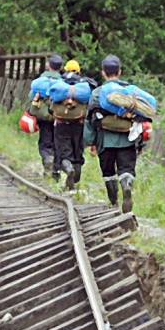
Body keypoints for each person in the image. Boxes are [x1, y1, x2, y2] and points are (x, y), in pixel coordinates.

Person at [87, 55, 141, 213]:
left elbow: (90, 119)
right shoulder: (130, 91)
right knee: (126, 169)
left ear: (103, 73)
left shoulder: (97, 93)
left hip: (105, 140)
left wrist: (91, 142)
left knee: (108, 171)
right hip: (127, 138)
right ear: (120, 72)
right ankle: (126, 185)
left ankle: (113, 202)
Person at [52, 59, 88, 191]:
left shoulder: (60, 84)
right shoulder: (82, 84)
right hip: (79, 124)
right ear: (79, 71)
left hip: (61, 124)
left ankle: (68, 169)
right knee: (78, 153)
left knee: (64, 153)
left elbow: (52, 104)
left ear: (65, 70)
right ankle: (75, 180)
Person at [28, 54, 64, 179]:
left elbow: (30, 97)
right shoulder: (63, 82)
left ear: (49, 65)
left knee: (44, 142)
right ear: (61, 67)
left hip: (43, 117)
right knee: (57, 143)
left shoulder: (39, 82)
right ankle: (56, 172)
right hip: (58, 117)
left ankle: (47, 159)